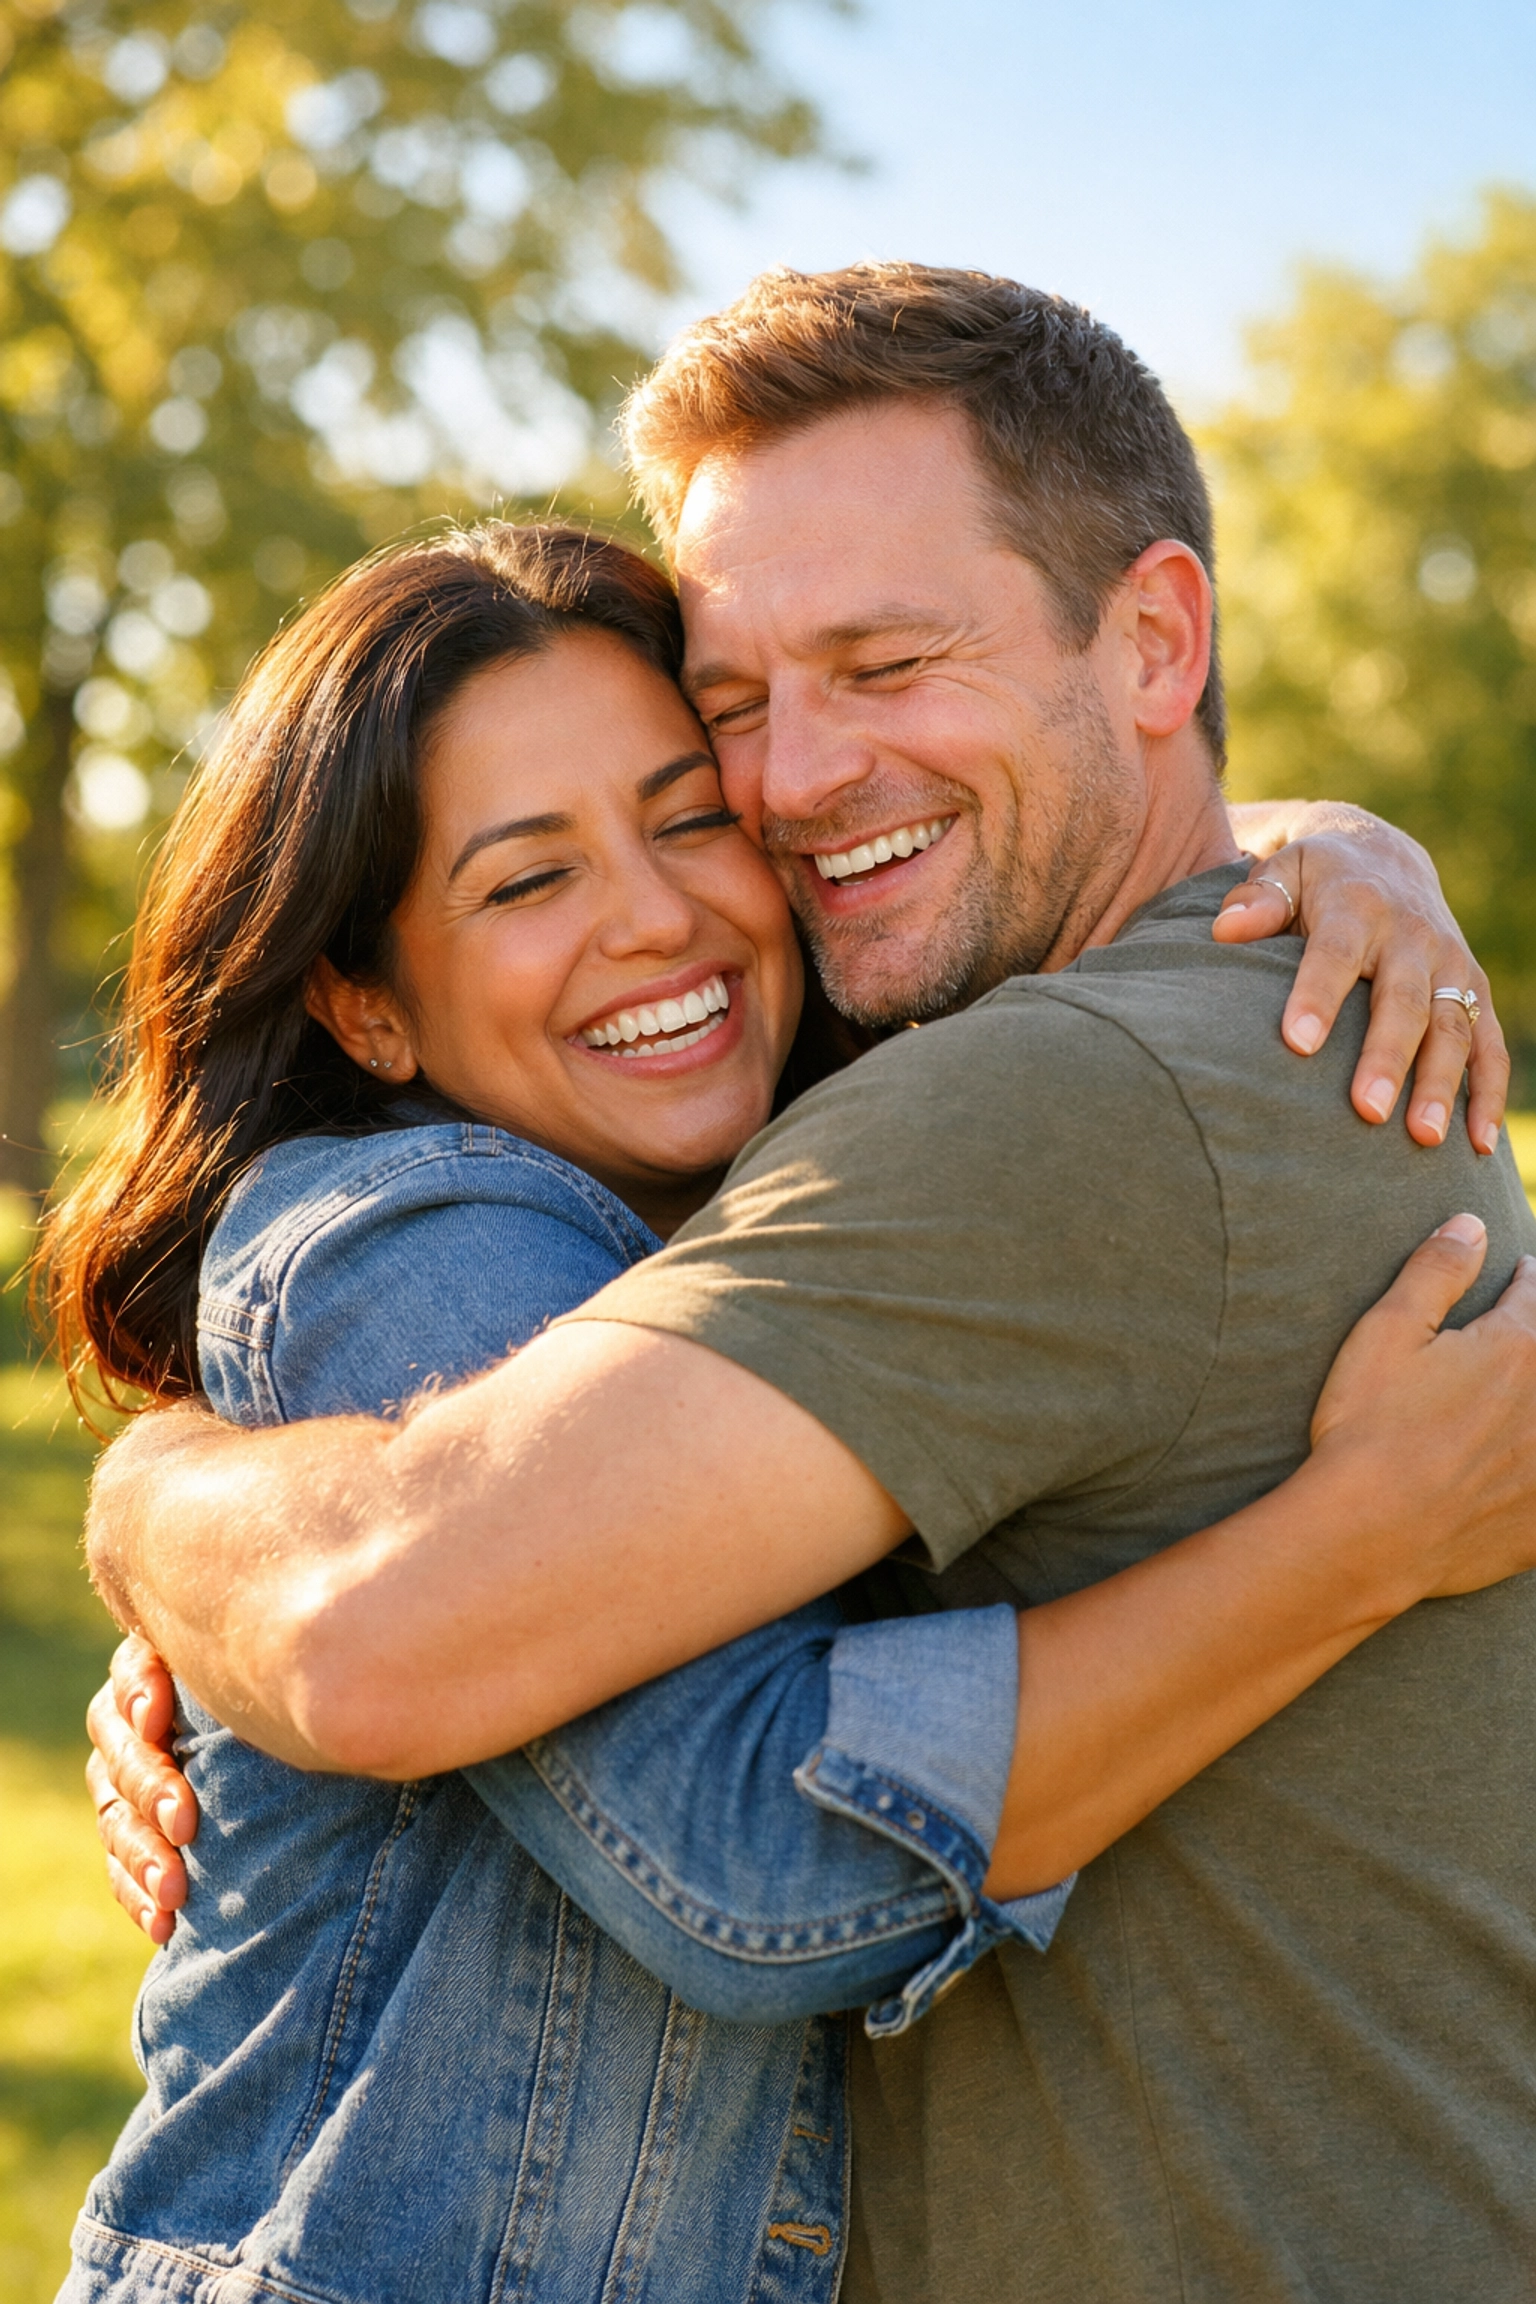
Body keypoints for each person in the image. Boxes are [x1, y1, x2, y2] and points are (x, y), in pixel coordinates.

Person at [79, 268, 1536, 2304]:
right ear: (365, 998)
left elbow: (388, 1630)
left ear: (1156, 639)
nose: (781, 792)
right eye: (743, 702)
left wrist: (159, 1505)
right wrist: (166, 1505)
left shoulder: (1051, 1096)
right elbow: (411, 1638)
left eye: (881, 662)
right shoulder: (1136, 1048)